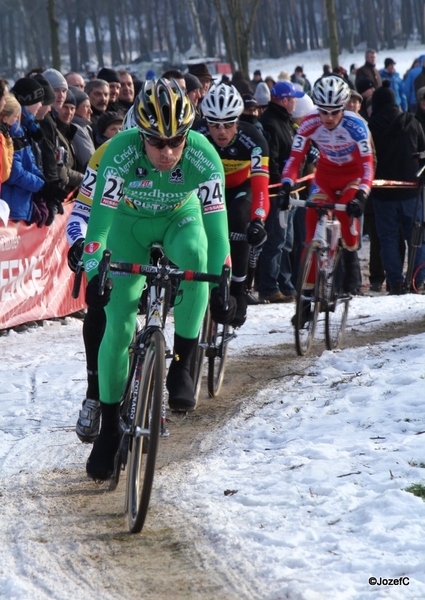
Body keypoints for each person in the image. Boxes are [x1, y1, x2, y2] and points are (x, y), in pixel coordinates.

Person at [80, 79, 234, 480]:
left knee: (196, 255)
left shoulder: (203, 156)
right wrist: (94, 272)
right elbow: (97, 230)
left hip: (178, 221)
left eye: (175, 141)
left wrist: (222, 284)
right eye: (156, 142)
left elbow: (217, 235)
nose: (166, 152)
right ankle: (110, 428)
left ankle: (183, 360)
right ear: (141, 135)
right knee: (117, 325)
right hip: (127, 227)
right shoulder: (118, 151)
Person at [281, 75, 374, 317]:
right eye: (324, 111)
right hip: (325, 176)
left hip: (353, 175)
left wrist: (362, 193)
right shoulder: (309, 124)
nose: (329, 117)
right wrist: (286, 186)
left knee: (346, 211)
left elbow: (367, 165)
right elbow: (294, 159)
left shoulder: (357, 126)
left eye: (335, 112)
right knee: (311, 231)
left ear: (343, 107)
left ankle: (351, 257)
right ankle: (305, 301)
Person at [193, 83, 270, 323]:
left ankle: (238, 289)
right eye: (214, 124)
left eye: (228, 124)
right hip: (207, 188)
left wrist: (258, 220)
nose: (221, 131)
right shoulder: (195, 135)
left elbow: (260, 188)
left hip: (240, 189)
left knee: (238, 219)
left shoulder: (253, 140)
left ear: (238, 120)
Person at [368, 81, 425, 294]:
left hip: (382, 192)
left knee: (388, 239)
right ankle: (417, 279)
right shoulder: (412, 121)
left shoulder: (370, 126)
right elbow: (423, 152)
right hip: (412, 190)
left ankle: (395, 281)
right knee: (417, 237)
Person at [257, 81, 304, 303]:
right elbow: (272, 159)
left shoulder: (284, 121)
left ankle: (284, 284)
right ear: (284, 100)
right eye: (294, 98)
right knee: (275, 241)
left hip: (290, 191)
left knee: (286, 242)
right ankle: (269, 287)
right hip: (277, 193)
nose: (296, 101)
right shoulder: (270, 123)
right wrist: (281, 187)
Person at [69, 86, 95, 169]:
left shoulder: (85, 127)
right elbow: (91, 160)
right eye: (86, 107)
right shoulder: (76, 129)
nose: (91, 111)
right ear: (74, 109)